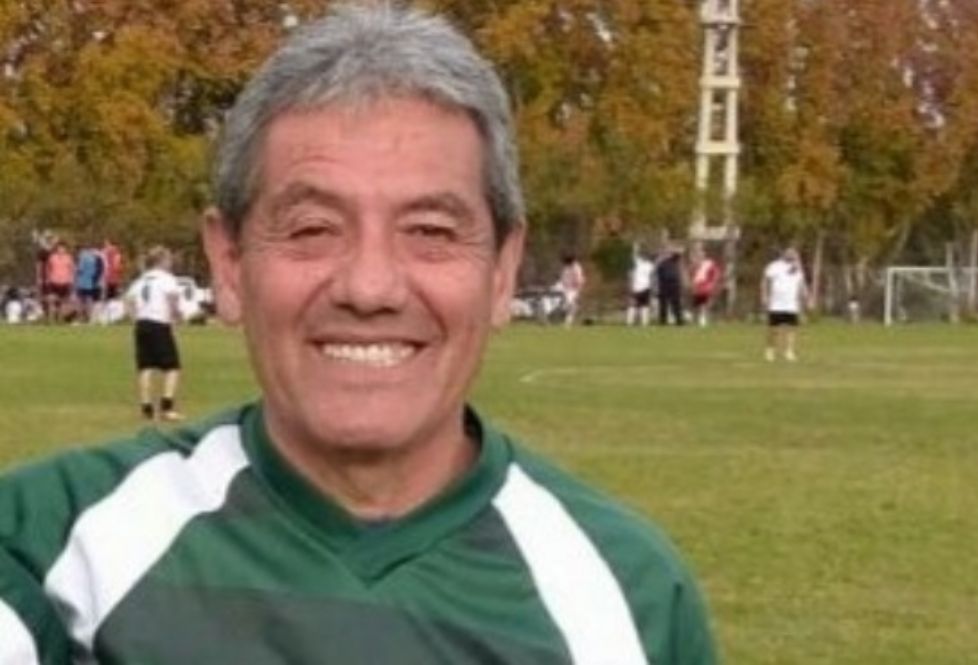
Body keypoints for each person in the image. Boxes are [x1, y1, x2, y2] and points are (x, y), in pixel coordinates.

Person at [0, 6, 717, 664]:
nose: (370, 288)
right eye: (313, 229)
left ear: (501, 270)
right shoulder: (46, 548)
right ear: (229, 263)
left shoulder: (629, 598)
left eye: (431, 231)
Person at [124, 245, 185, 421]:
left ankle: (146, 408)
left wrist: (135, 317)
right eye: (169, 259)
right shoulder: (166, 279)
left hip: (142, 324)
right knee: (172, 367)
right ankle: (167, 407)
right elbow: (172, 298)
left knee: (145, 366)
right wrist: (176, 315)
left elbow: (128, 300)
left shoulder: (141, 280)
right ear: (162, 261)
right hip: (159, 323)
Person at [762, 247, 810, 362]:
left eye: (794, 254)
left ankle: (789, 351)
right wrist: (764, 295)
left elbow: (801, 284)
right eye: (789, 253)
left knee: (791, 329)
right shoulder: (774, 266)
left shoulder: (798, 268)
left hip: (791, 304)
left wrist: (806, 296)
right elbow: (765, 281)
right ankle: (770, 350)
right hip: (776, 304)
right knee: (773, 329)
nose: (792, 255)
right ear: (784, 254)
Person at [43, 240, 75, 324]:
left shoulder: (68, 258)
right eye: (59, 248)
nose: (61, 250)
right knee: (51, 300)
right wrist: (47, 278)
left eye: (63, 248)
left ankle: (59, 319)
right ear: (57, 249)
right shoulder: (52, 257)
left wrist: (71, 279)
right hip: (53, 281)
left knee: (62, 302)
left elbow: (72, 269)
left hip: (65, 282)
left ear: (65, 249)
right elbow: (47, 268)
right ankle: (50, 320)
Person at [690, 245, 721, 328]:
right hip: (697, 287)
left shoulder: (709, 263)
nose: (699, 255)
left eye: (701, 253)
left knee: (704, 304)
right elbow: (692, 274)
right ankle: (697, 320)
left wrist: (712, 283)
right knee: (696, 305)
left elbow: (716, 273)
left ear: (704, 254)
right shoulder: (694, 263)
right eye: (698, 253)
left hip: (705, 287)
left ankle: (703, 320)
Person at [74, 243, 105, 323]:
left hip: (82, 282)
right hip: (91, 282)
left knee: (80, 301)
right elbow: (99, 270)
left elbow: (80, 269)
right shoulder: (95, 257)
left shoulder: (83, 256)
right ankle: (89, 318)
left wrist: (75, 271)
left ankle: (80, 318)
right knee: (89, 300)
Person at [656, 243, 685, 325]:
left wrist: (672, 249)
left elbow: (680, 252)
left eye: (667, 252)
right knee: (663, 304)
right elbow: (657, 273)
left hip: (674, 284)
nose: (666, 254)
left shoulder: (674, 259)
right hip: (664, 285)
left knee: (676, 303)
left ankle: (679, 320)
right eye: (665, 252)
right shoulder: (660, 262)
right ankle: (663, 321)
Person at [556, 252, 586, 327]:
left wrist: (578, 290)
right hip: (564, 287)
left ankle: (567, 321)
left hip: (571, 289)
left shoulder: (576, 268)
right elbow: (563, 277)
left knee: (569, 304)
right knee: (568, 304)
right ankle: (566, 317)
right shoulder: (566, 267)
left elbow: (579, 280)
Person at [626, 248, 655, 326]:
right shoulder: (642, 263)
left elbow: (651, 276)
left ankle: (643, 322)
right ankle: (631, 322)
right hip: (638, 287)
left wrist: (635, 247)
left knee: (643, 305)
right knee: (634, 305)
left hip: (644, 287)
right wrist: (636, 247)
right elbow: (634, 255)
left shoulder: (647, 265)